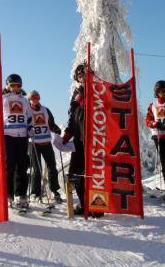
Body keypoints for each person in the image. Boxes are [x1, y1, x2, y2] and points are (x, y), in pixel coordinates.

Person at [62, 63, 103, 218]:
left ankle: (97, 206)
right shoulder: (77, 93)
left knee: (95, 174)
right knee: (75, 173)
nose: (83, 78)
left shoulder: (99, 91)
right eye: (80, 76)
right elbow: (73, 116)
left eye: (86, 75)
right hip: (79, 139)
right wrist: (68, 133)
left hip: (96, 139)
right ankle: (84, 204)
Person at [2, 74, 32, 208]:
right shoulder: (2, 99)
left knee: (22, 166)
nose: (15, 88)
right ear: (7, 85)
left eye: (18, 85)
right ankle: (8, 194)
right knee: (9, 166)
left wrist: (30, 128)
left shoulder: (24, 100)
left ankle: (21, 195)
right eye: (12, 85)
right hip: (8, 135)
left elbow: (29, 117)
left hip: (22, 136)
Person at [27, 90, 63, 203]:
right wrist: (28, 130)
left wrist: (56, 129)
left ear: (39, 99)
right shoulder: (27, 111)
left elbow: (51, 124)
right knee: (37, 169)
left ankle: (54, 191)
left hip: (46, 142)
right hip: (34, 143)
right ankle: (35, 193)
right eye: (32, 99)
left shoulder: (45, 110)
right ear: (29, 100)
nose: (35, 100)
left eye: (37, 98)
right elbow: (25, 124)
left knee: (52, 167)